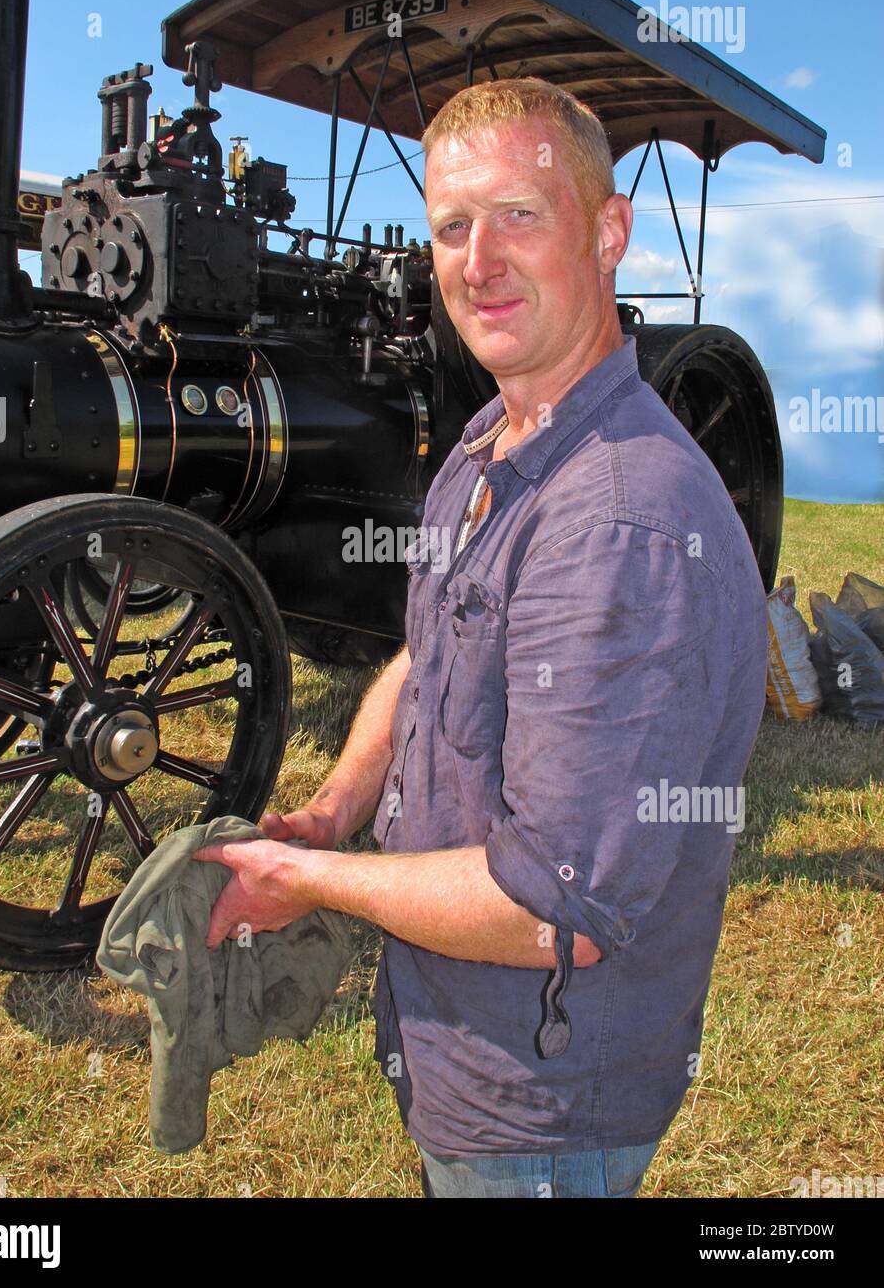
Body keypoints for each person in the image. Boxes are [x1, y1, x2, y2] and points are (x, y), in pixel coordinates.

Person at [195, 78, 769, 1198]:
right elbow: (427, 651)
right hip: (463, 1044)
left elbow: (552, 907)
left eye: (520, 214)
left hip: (545, 1102)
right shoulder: (490, 442)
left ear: (609, 232)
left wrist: (310, 878)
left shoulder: (618, 521)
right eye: (452, 226)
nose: (479, 259)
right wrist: (335, 807)